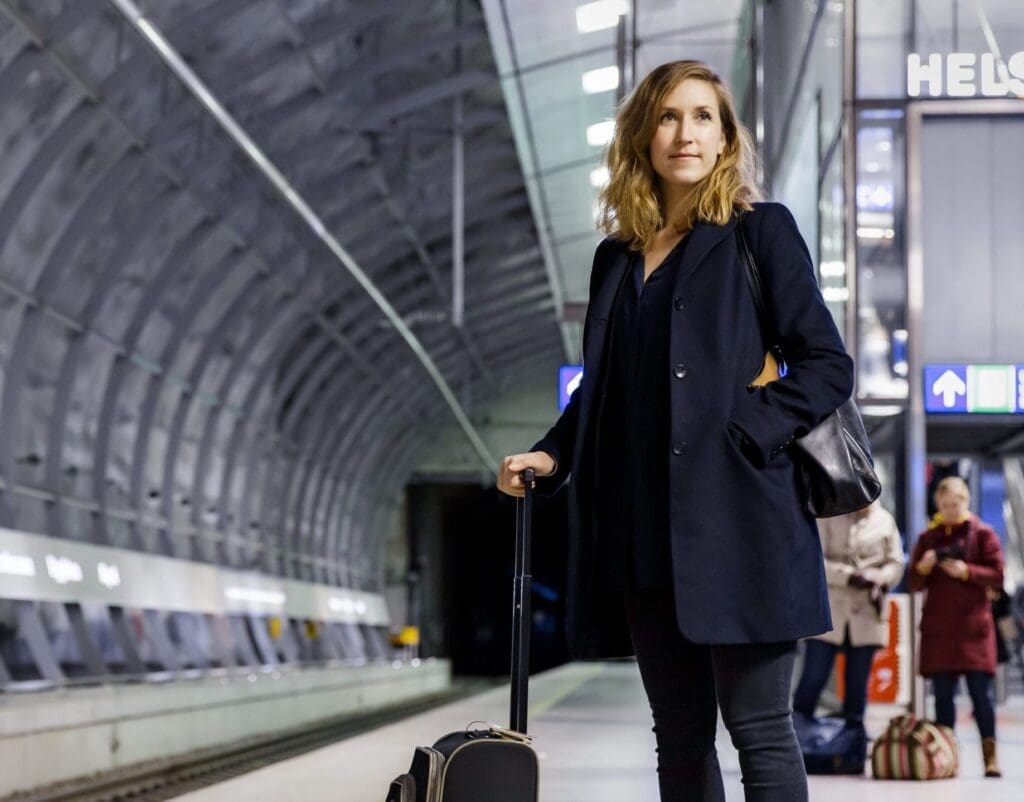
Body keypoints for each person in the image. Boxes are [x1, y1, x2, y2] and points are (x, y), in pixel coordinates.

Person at [496, 60, 854, 802]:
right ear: (642, 135)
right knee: (680, 733)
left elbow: (826, 365)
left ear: (724, 137)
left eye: (701, 117)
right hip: (648, 530)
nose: (683, 132)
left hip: (744, 521)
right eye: (667, 116)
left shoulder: (760, 233)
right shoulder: (617, 260)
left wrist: (746, 430)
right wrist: (552, 453)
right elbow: (607, 389)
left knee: (759, 727)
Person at [907, 476, 1005, 778]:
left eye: (956, 503)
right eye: (945, 504)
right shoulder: (928, 537)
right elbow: (912, 582)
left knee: (981, 697)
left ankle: (990, 758)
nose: (950, 510)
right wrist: (922, 568)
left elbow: (998, 575)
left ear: (967, 501)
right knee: (943, 698)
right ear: (938, 504)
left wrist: (967, 572)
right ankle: (948, 757)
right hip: (940, 630)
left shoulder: (984, 534)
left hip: (974, 631)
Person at [792, 501, 905, 726]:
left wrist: (880, 577)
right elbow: (813, 559)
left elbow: (896, 564)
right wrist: (848, 576)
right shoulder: (828, 514)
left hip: (866, 614)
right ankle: (800, 743)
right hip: (830, 611)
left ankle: (851, 750)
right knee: (813, 679)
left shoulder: (885, 520)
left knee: (857, 688)